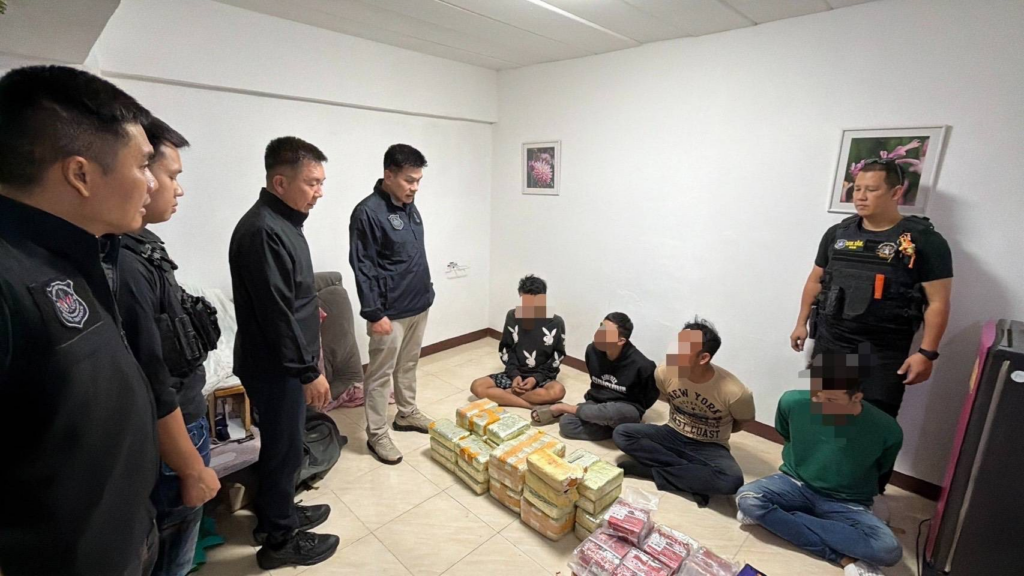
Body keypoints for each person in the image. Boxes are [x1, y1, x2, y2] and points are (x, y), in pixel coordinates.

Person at [0, 65, 160, 575]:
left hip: (122, 540)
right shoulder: (9, 277)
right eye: (144, 165)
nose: (153, 183)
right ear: (81, 174)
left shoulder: (82, 255)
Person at [118, 117, 222, 576]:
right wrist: (190, 466)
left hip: (184, 420)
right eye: (169, 174)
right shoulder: (125, 265)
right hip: (173, 432)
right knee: (173, 545)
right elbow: (153, 377)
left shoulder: (144, 247)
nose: (177, 189)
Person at [229, 137, 338, 570]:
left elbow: (290, 297)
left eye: (321, 182)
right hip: (276, 367)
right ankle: (278, 540)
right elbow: (276, 314)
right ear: (280, 182)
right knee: (284, 449)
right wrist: (308, 371)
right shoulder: (263, 231)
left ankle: (280, 513)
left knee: (284, 446)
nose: (320, 192)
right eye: (312, 182)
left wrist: (311, 315)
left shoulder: (284, 223)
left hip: (282, 361)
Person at [790, 159, 953, 419]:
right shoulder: (837, 234)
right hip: (833, 343)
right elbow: (815, 280)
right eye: (857, 189)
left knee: (873, 423)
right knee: (828, 418)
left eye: (871, 190)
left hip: (883, 352)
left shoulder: (925, 241)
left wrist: (926, 353)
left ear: (896, 192)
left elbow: (938, 302)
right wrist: (801, 323)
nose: (860, 197)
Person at [736, 351, 903, 576]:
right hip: (795, 483)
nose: (821, 406)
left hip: (847, 501)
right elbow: (787, 435)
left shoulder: (887, 430)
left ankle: (783, 517)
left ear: (856, 397)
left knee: (888, 550)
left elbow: (882, 468)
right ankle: (842, 558)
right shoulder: (792, 402)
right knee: (748, 499)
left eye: (832, 400)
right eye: (816, 395)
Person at [349, 144, 435, 465]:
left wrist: (427, 291)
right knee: (380, 375)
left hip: (418, 303)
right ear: (388, 175)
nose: (415, 187)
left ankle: (407, 413)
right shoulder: (368, 213)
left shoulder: (409, 205)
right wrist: (374, 313)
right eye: (409, 180)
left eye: (418, 180)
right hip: (389, 312)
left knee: (408, 364)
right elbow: (363, 266)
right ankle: (377, 433)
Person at [613, 318, 754, 507]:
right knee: (622, 433)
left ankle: (653, 472)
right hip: (672, 433)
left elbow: (742, 422)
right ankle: (693, 476)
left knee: (731, 480)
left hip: (709, 445)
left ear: (703, 358)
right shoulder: (664, 371)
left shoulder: (735, 392)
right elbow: (667, 398)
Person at [537, 312, 657, 441]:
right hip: (597, 403)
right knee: (567, 424)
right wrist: (596, 411)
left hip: (624, 408)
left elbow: (650, 396)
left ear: (621, 340)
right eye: (601, 326)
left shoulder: (642, 365)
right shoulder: (592, 351)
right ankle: (621, 429)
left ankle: (564, 407)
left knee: (615, 412)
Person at [470, 275, 567, 409]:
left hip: (541, 376)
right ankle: (531, 405)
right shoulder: (513, 316)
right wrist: (514, 375)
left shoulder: (555, 322)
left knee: (557, 391)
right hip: (515, 374)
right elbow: (506, 349)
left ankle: (505, 395)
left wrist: (535, 378)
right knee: (477, 386)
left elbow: (557, 356)